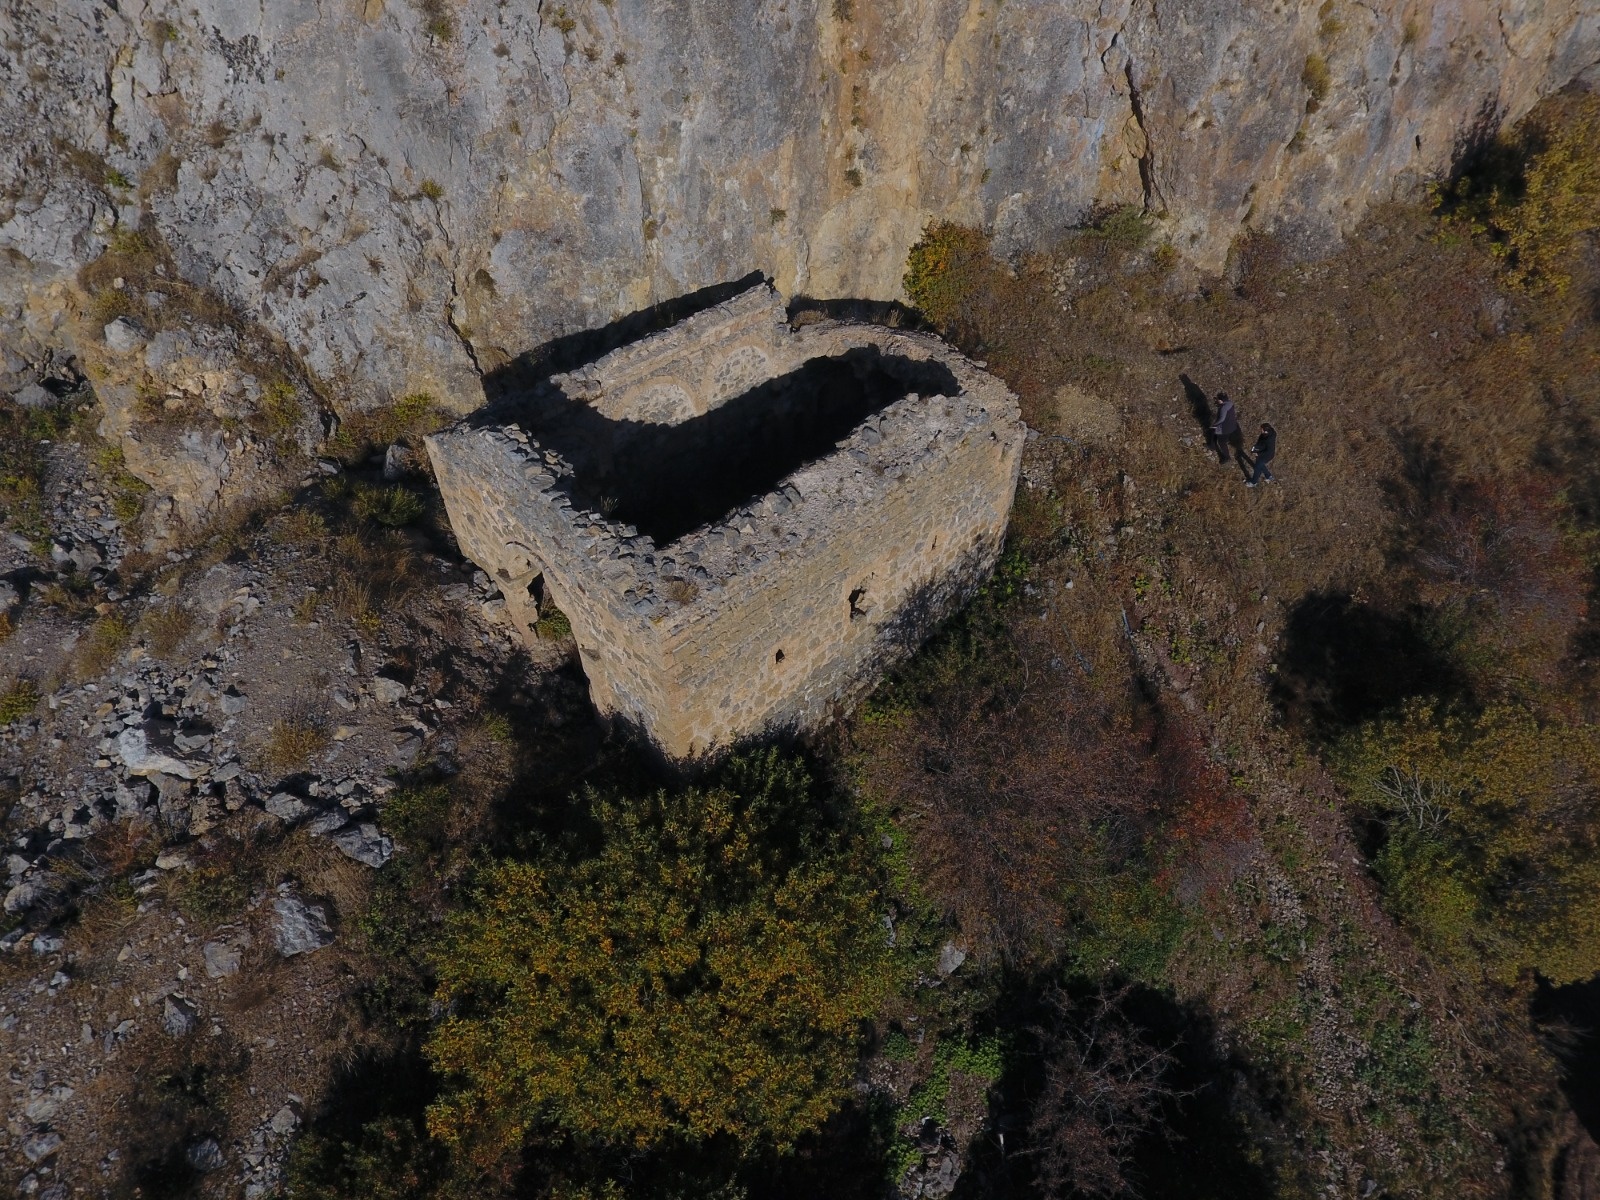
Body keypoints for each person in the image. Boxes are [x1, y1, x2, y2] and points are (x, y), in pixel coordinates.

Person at [1210, 392, 1241, 464]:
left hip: (1225, 429)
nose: (1216, 400)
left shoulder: (1223, 407)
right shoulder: (1230, 403)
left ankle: (1227, 457)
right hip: (1231, 426)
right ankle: (1212, 445)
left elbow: (1221, 419)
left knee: (1222, 443)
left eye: (1217, 399)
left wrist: (1215, 424)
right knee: (1213, 432)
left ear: (1221, 400)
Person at [1247, 422, 1277, 486]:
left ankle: (1253, 482)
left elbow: (1268, 451)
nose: (1260, 430)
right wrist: (1255, 448)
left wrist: (1258, 453)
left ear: (1265, 431)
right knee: (1260, 465)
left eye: (1262, 429)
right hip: (1261, 451)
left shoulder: (1269, 440)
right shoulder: (1268, 433)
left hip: (1267, 455)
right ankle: (1268, 476)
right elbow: (1261, 442)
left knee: (1257, 467)